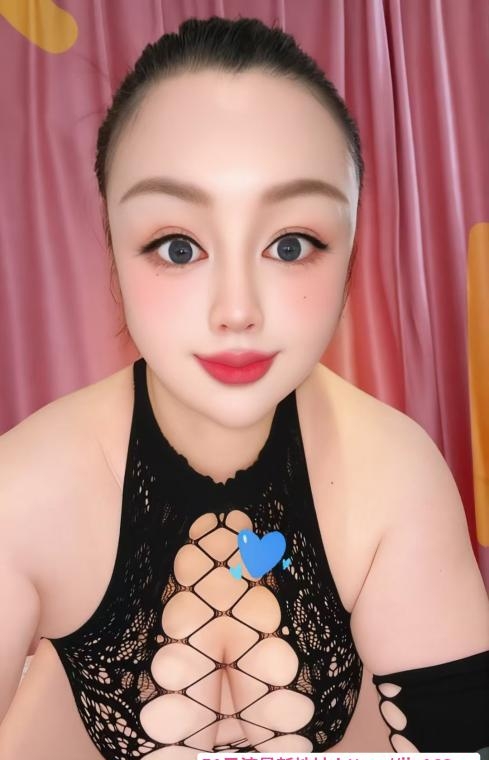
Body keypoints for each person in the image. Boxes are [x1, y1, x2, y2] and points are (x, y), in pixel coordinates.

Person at [0, 15, 488, 760]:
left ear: (350, 247)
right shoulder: (25, 487)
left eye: (290, 245)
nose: (237, 311)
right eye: (178, 246)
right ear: (114, 245)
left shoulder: (396, 477)